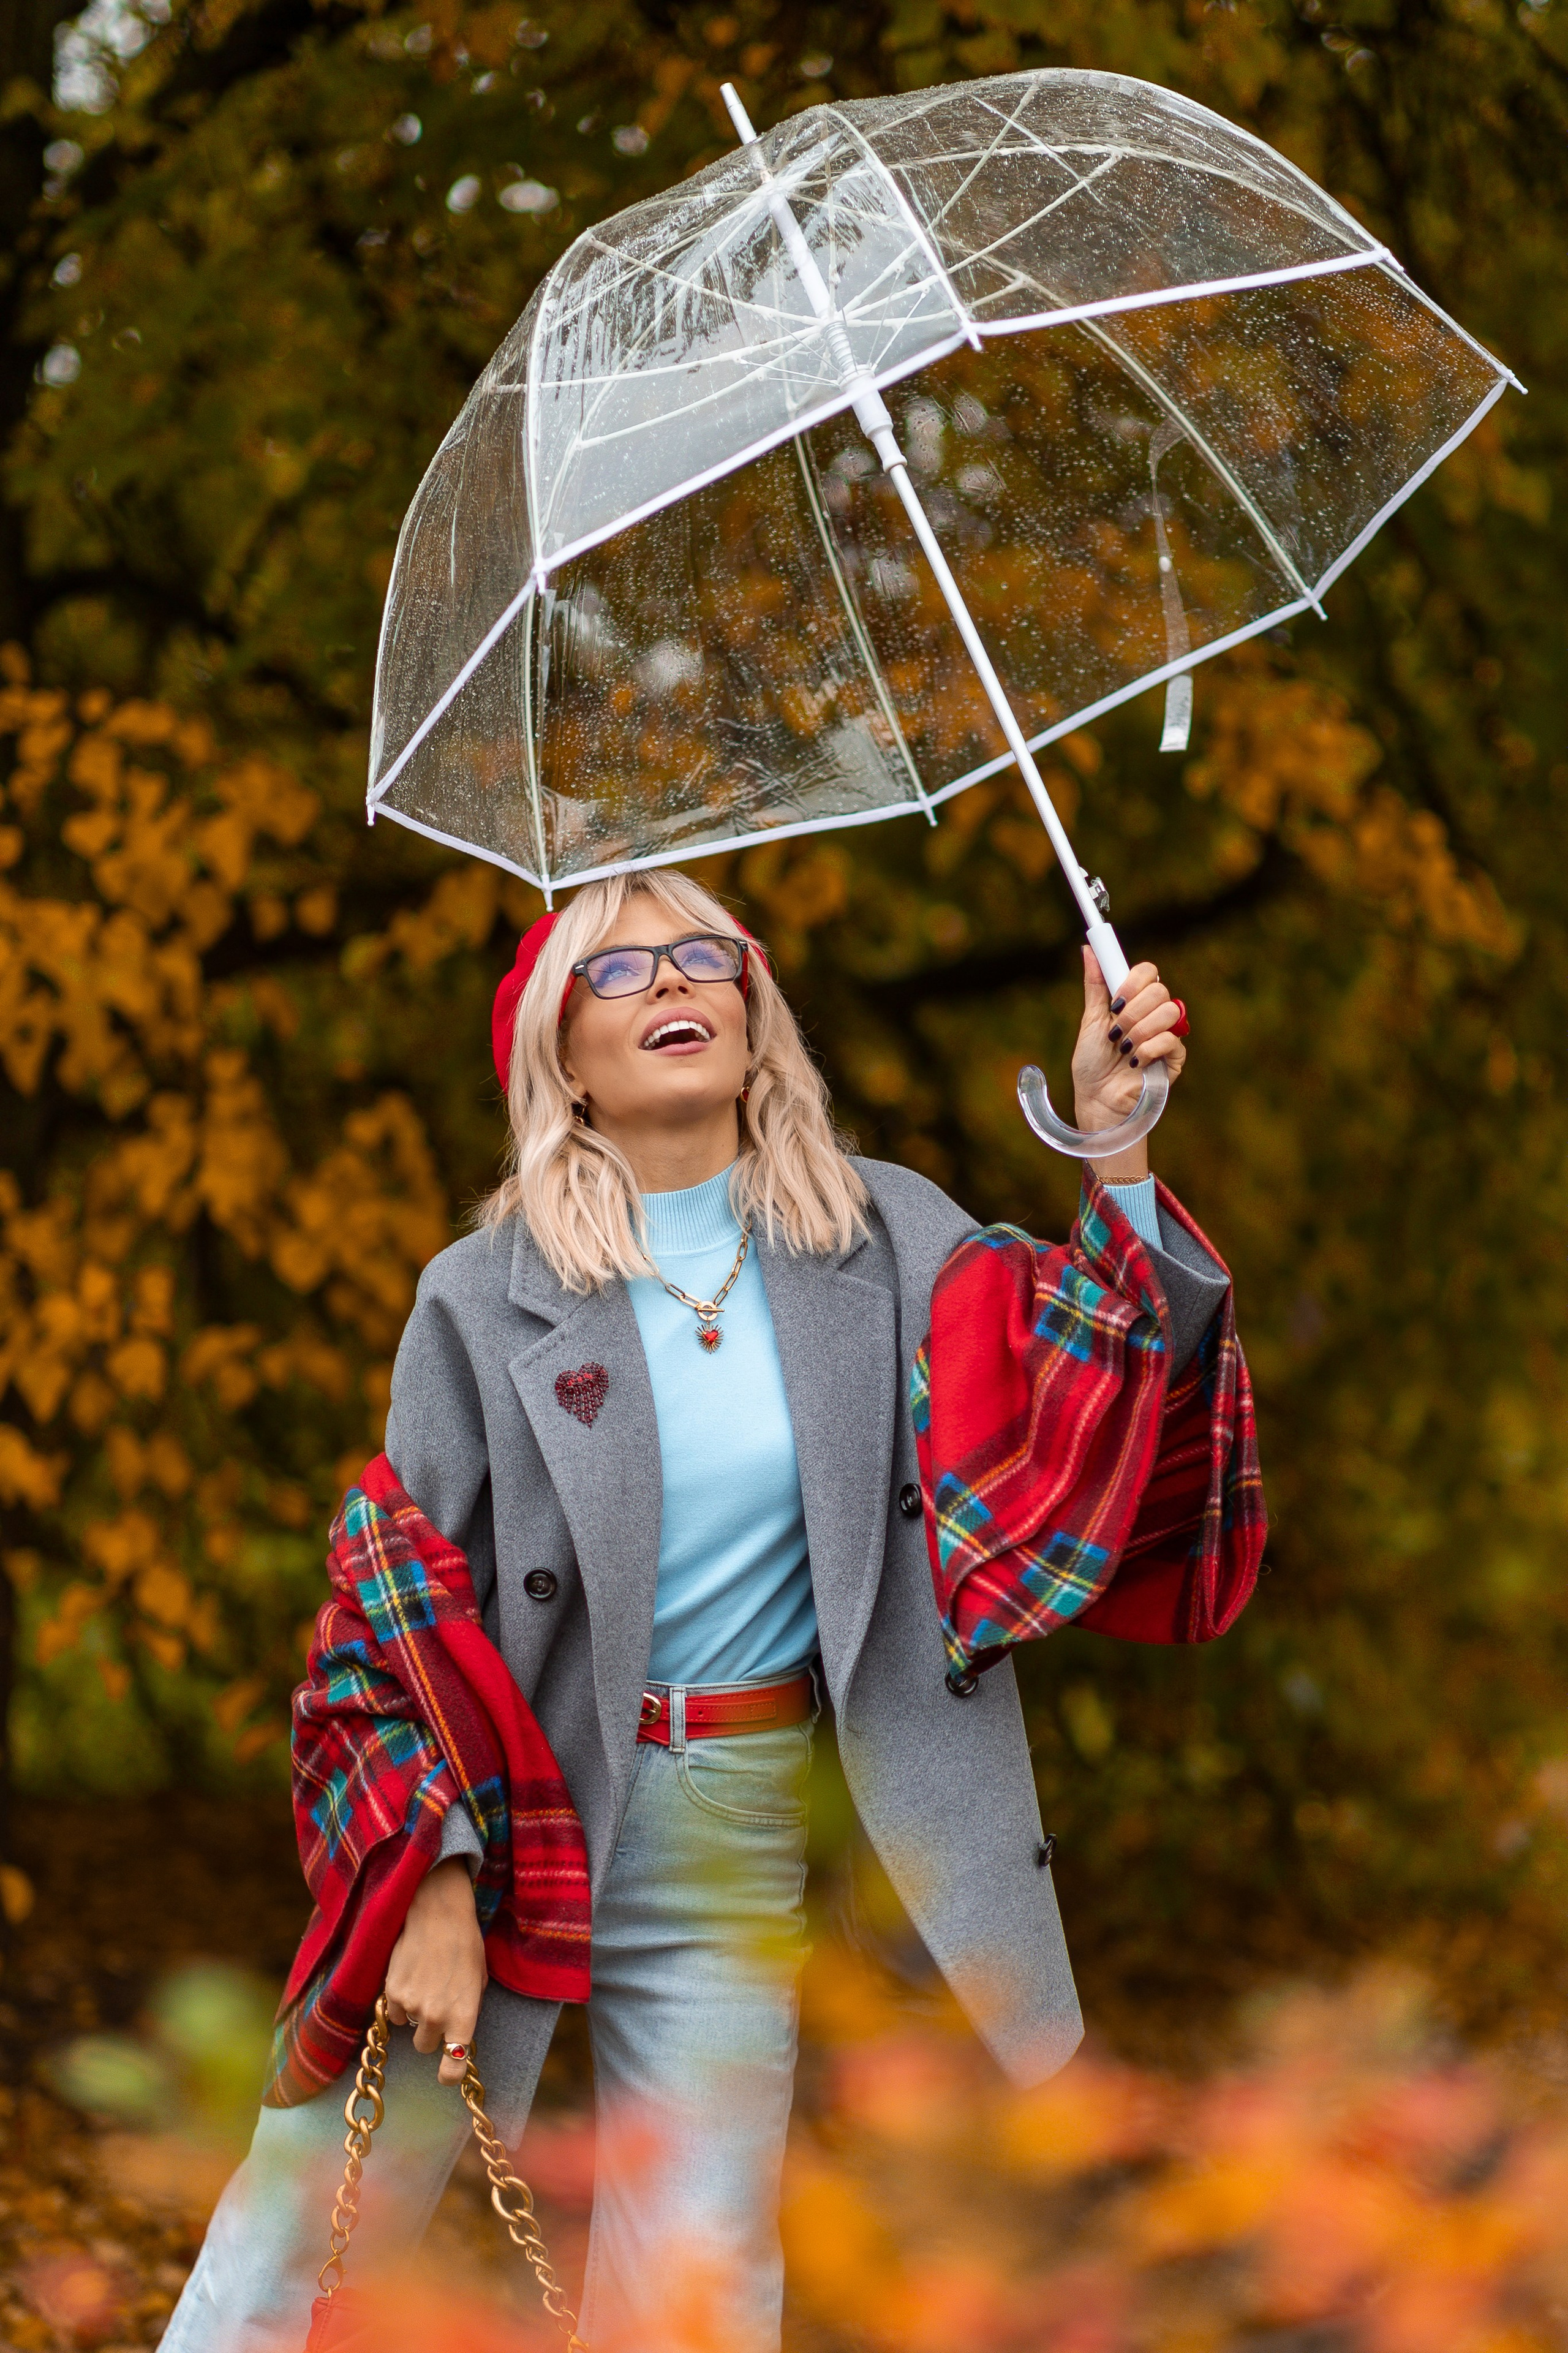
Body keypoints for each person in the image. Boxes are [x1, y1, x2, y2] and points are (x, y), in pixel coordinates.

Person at [162, 866, 1240, 2353]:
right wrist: (431, 1882)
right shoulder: (479, 1295)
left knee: (700, 2287)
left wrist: (1111, 1140)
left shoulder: (882, 1236)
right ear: (560, 1058)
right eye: (617, 971)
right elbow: (385, 1607)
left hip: (739, 1823)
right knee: (308, 2219)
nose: (670, 983)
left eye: (702, 956)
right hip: (514, 1803)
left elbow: (1093, 1395)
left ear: (753, 1008)